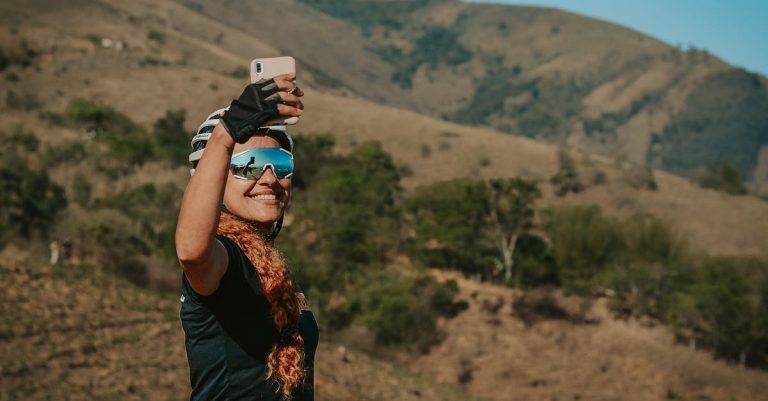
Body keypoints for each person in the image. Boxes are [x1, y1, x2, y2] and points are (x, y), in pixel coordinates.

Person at [175, 73, 318, 401]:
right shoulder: (223, 259)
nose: (269, 178)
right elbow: (190, 252)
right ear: (213, 181)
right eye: (249, 166)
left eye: (280, 164)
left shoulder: (271, 264)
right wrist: (225, 136)